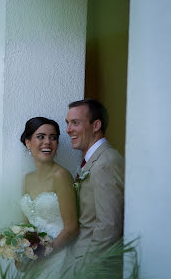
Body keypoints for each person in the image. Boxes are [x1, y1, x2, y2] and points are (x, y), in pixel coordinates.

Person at [63, 99, 124, 274]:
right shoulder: (91, 160)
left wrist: (86, 268)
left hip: (90, 266)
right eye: (68, 123)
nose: (68, 130)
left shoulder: (107, 163)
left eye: (75, 123)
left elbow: (109, 225)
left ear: (96, 125)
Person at [18, 117, 79, 278]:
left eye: (53, 137)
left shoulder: (61, 176)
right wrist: (20, 253)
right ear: (28, 142)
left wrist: (43, 255)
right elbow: (24, 226)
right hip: (33, 262)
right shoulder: (26, 179)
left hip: (57, 259)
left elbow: (71, 228)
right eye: (41, 136)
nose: (48, 142)